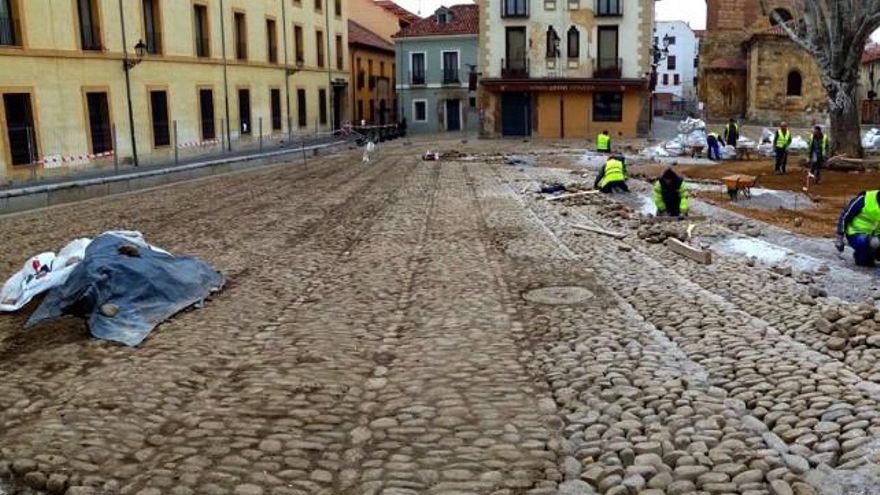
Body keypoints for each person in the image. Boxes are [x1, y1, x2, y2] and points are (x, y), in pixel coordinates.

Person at [836, 190, 880, 266]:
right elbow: (845, 216)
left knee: (875, 243)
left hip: (876, 235)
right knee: (872, 245)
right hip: (856, 234)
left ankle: (875, 255)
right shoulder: (865, 199)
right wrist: (840, 237)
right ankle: (861, 256)